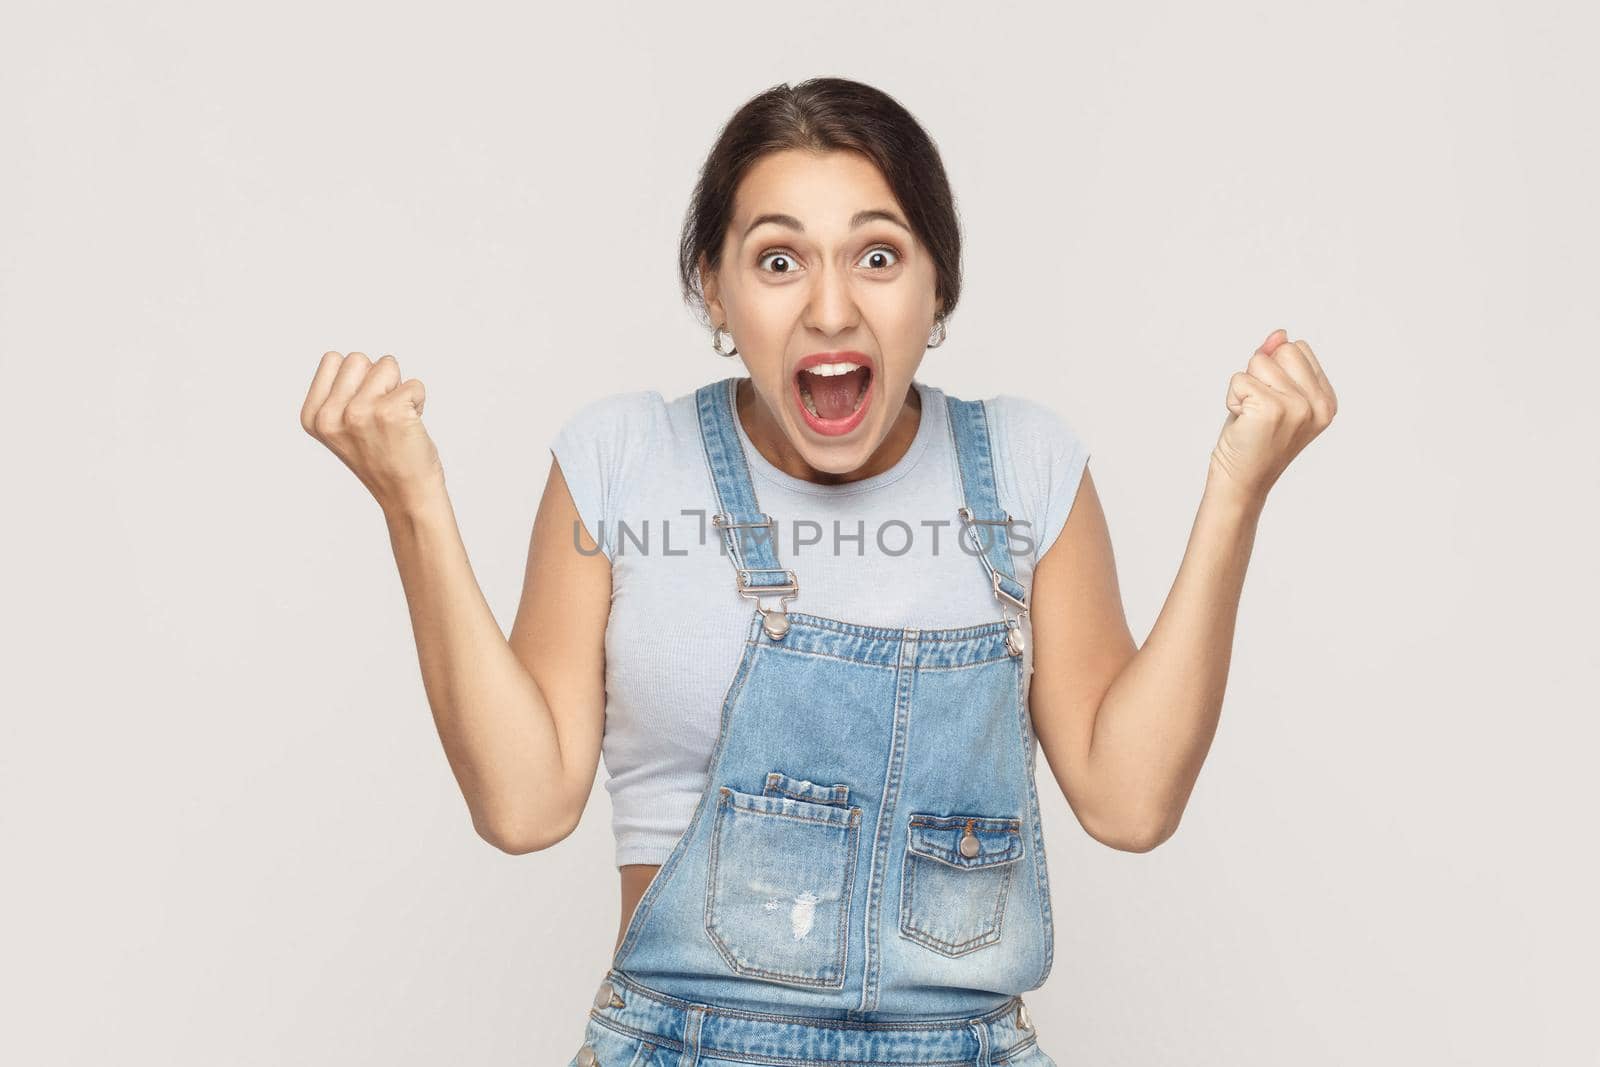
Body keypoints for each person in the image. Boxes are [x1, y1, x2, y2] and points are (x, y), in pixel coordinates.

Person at [299, 76, 1337, 1067]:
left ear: (938, 288)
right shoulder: (622, 460)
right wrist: (412, 503)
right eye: (778, 260)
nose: (832, 310)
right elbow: (523, 806)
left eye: (877, 257)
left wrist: (1235, 493)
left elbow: (1131, 798)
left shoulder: (1022, 464)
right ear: (713, 286)